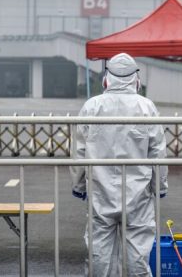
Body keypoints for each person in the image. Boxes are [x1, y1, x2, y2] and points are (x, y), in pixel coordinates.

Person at [71, 53, 168, 276]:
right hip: (138, 194)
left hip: (99, 192)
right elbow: (158, 153)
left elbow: (79, 152)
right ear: (136, 80)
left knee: (99, 254)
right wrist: (159, 187)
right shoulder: (146, 107)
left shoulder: (91, 106)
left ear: (107, 79)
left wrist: (79, 187)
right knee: (138, 255)